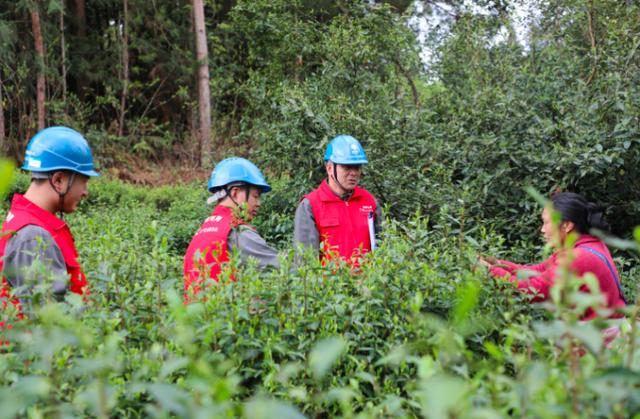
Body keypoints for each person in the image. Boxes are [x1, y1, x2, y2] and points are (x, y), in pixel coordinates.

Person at [0, 126, 99, 332]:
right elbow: (49, 329)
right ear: (59, 180)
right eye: (84, 182)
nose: (85, 192)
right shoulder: (32, 236)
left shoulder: (27, 223)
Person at [480, 192, 626, 320]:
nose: (542, 230)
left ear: (567, 225)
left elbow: (535, 291)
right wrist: (499, 264)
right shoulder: (588, 246)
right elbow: (537, 270)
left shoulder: (578, 256)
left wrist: (488, 271)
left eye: (546, 223)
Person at [183, 157, 279, 301]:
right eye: (255, 196)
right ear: (235, 193)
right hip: (224, 319)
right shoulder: (237, 232)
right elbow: (281, 266)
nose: (259, 203)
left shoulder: (204, 229)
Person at [293, 135, 381, 266]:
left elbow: (383, 249)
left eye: (357, 167)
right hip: (331, 285)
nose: (353, 173)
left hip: (368, 285)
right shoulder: (310, 205)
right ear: (329, 168)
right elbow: (305, 262)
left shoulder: (369, 201)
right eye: (347, 167)